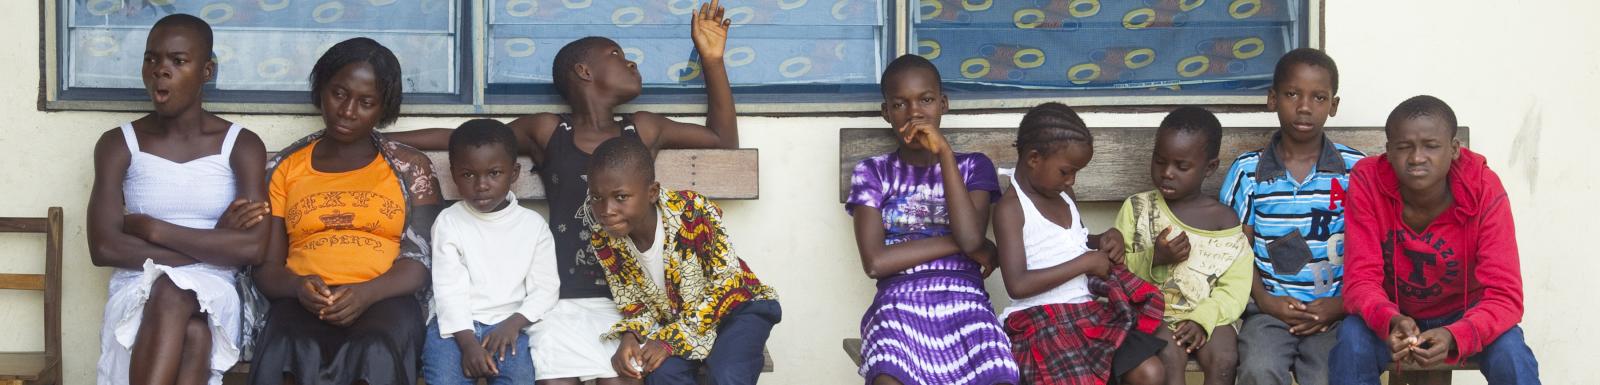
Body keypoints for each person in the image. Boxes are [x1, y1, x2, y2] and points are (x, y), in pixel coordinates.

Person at [387, 4, 740, 383]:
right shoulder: (549, 130)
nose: (633, 62)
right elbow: (469, 139)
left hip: (631, 303)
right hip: (560, 300)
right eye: (617, 55)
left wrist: (712, 60)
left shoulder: (642, 128)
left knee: (623, 377)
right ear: (584, 72)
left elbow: (722, 141)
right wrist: (379, 140)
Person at [245, 37, 443, 385]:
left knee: (374, 348)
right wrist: (298, 287)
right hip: (302, 301)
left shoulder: (410, 167)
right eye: (339, 93)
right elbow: (267, 268)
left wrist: (366, 293)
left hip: (386, 298)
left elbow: (420, 264)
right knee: (287, 345)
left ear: (383, 108)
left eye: (366, 102)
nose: (348, 110)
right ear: (321, 89)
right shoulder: (284, 168)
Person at [88, 13, 270, 385]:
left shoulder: (242, 145)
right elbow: (104, 247)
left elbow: (253, 248)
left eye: (178, 61)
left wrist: (153, 229)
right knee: (192, 333)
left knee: (174, 289)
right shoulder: (118, 144)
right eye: (151, 58)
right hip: (136, 283)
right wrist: (216, 243)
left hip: (215, 286)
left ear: (207, 71)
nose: (160, 70)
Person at [1329, 95, 1540, 384]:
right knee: (1352, 339)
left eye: (1431, 146)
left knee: (1512, 353)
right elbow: (1360, 281)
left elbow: (1505, 296)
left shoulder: (1483, 189)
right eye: (1404, 147)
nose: (1417, 158)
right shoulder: (1368, 182)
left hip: (1466, 314)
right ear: (1388, 151)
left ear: (1454, 149)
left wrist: (1456, 334)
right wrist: (1391, 320)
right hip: (1394, 314)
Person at [846, 54, 1019, 385]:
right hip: (899, 300)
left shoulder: (973, 166)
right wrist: (965, 244)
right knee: (887, 376)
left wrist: (945, 155)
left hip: (965, 300)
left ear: (943, 104)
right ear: (886, 113)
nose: (915, 113)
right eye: (900, 104)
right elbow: (876, 262)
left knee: (998, 374)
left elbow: (971, 238)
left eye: (925, 100)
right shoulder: (873, 173)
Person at [583, 137, 780, 385]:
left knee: (726, 374)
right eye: (596, 198)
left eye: (621, 197)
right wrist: (631, 335)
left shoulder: (693, 212)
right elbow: (632, 302)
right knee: (661, 374)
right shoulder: (604, 240)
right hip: (681, 323)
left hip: (737, 310)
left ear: (652, 192)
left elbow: (727, 284)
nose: (606, 210)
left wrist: (671, 341)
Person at [1220, 48, 1364, 385]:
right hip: (1268, 311)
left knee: (1329, 374)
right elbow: (1236, 252)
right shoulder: (1248, 172)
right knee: (1259, 367)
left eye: (1318, 97)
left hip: (1335, 311)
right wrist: (1266, 301)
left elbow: (1373, 247)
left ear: (1333, 105)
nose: (1304, 106)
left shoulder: (1355, 171)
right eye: (1291, 94)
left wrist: (1341, 305)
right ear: (1272, 99)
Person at [994, 102, 1166, 385]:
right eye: (1066, 171)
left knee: (1151, 371)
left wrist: (1105, 239)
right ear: (1034, 158)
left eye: (1077, 172)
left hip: (1087, 311)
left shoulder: (1064, 194)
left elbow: (1075, 240)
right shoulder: (1011, 209)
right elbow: (1017, 284)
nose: (1072, 180)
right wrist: (1085, 263)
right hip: (1041, 319)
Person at [1115, 107, 1251, 385]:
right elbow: (1116, 271)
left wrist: (1203, 319)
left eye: (1181, 166)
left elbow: (1235, 287)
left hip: (1209, 313)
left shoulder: (1224, 222)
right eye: (1160, 161)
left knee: (1225, 356)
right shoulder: (1138, 209)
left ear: (1210, 167)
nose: (1167, 173)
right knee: (1168, 354)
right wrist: (1155, 258)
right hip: (1151, 313)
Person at [421, 119, 560, 385]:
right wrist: (468, 343)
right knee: (445, 378)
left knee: (519, 378)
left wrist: (514, 323)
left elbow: (546, 288)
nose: (481, 185)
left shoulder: (532, 226)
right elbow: (449, 290)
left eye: (494, 173)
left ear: (514, 173)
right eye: (468, 174)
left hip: (512, 326)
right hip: (455, 328)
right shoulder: (450, 222)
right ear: (454, 174)